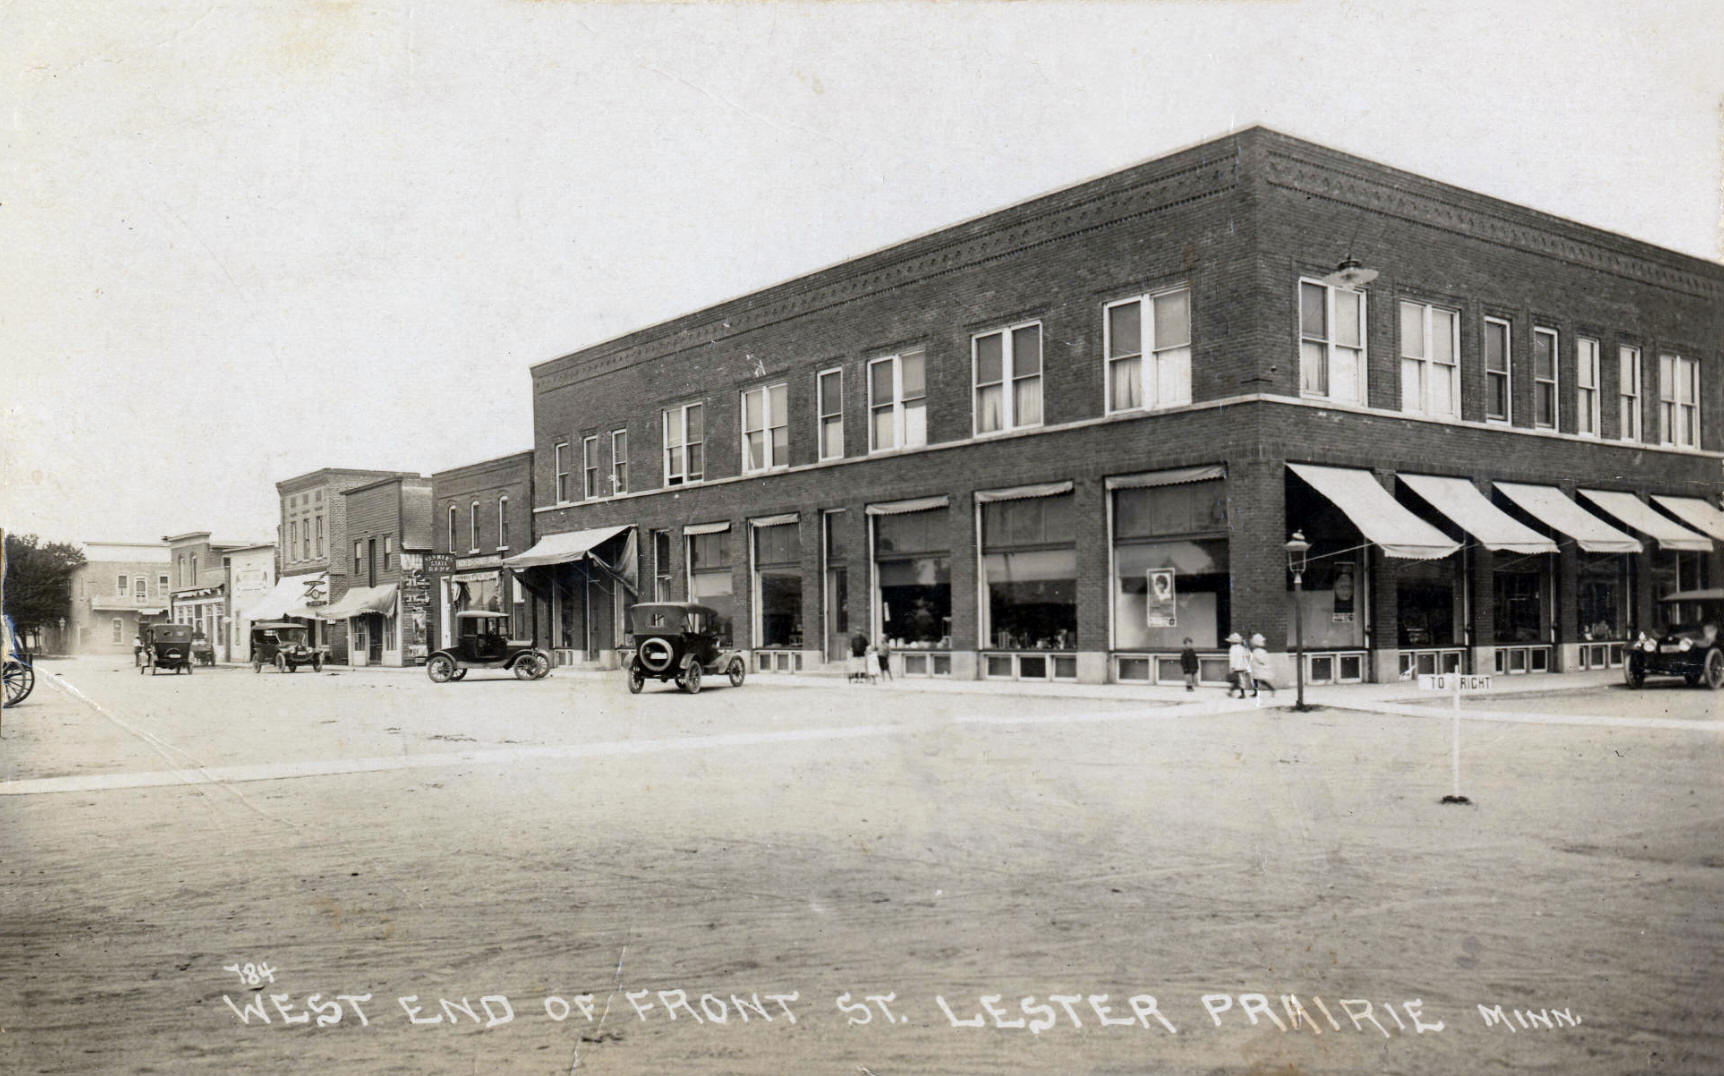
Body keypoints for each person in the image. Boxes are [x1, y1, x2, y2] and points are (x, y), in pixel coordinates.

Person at [1249, 633, 1278, 699]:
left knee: (1259, 680)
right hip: (1256, 668)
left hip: (1258, 668)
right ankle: (1256, 692)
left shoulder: (1257, 651)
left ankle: (1271, 688)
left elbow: (1260, 659)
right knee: (1256, 680)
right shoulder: (1262, 651)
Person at [1226, 632, 1251, 698]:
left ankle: (1235, 692)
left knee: (1236, 680)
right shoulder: (1242, 648)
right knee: (1241, 680)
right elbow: (1246, 656)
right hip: (1242, 666)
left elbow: (1232, 658)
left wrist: (1232, 667)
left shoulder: (1232, 649)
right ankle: (1238, 692)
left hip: (1236, 667)